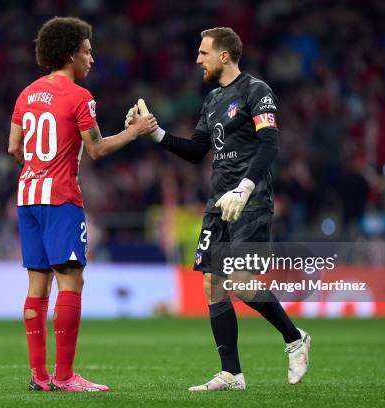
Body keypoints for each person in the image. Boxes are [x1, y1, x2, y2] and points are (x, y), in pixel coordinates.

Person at [127, 27, 311, 390]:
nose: (198, 59)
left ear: (224, 55)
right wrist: (156, 134)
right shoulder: (212, 100)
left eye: (203, 53)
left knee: (240, 282)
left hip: (250, 200)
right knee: (213, 283)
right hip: (217, 203)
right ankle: (232, 373)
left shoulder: (256, 91)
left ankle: (295, 339)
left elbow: (270, 145)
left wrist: (244, 187)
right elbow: (197, 151)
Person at [8, 16, 158, 392]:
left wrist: (38, 168)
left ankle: (39, 376)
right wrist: (135, 131)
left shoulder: (26, 94)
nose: (92, 58)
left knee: (36, 285)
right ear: (70, 53)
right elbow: (96, 148)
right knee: (71, 281)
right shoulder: (79, 97)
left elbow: (14, 148)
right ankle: (64, 376)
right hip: (60, 199)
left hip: (27, 197)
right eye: (88, 51)